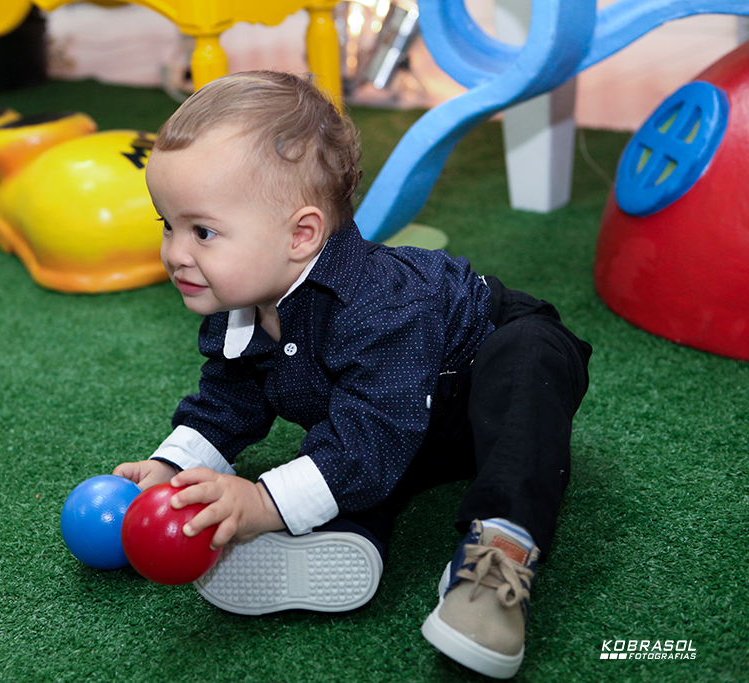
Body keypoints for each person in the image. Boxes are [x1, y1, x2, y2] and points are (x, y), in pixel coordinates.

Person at [113, 70, 591, 680]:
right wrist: (170, 467)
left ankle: (496, 556)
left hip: (482, 377)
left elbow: (373, 438)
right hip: (394, 416)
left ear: (301, 234)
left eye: (202, 231)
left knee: (526, 366)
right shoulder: (239, 306)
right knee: (352, 449)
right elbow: (227, 398)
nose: (177, 252)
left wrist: (262, 498)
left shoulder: (382, 305)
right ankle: (348, 539)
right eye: (168, 225)